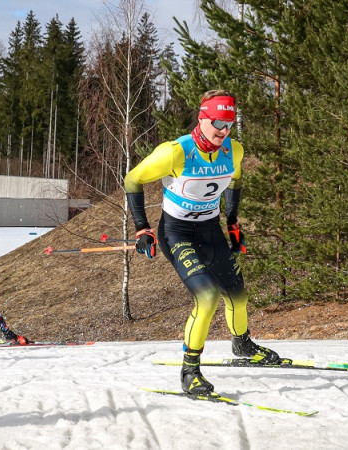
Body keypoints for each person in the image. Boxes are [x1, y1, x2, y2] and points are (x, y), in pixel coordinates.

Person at [124, 90, 280, 395]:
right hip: (176, 233)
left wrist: (233, 223)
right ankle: (189, 371)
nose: (223, 131)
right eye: (217, 123)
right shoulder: (175, 152)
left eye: (229, 124)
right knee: (207, 297)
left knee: (237, 293)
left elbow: (234, 181)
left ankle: (242, 344)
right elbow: (133, 179)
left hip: (210, 231)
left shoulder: (233, 151)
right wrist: (142, 228)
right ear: (202, 118)